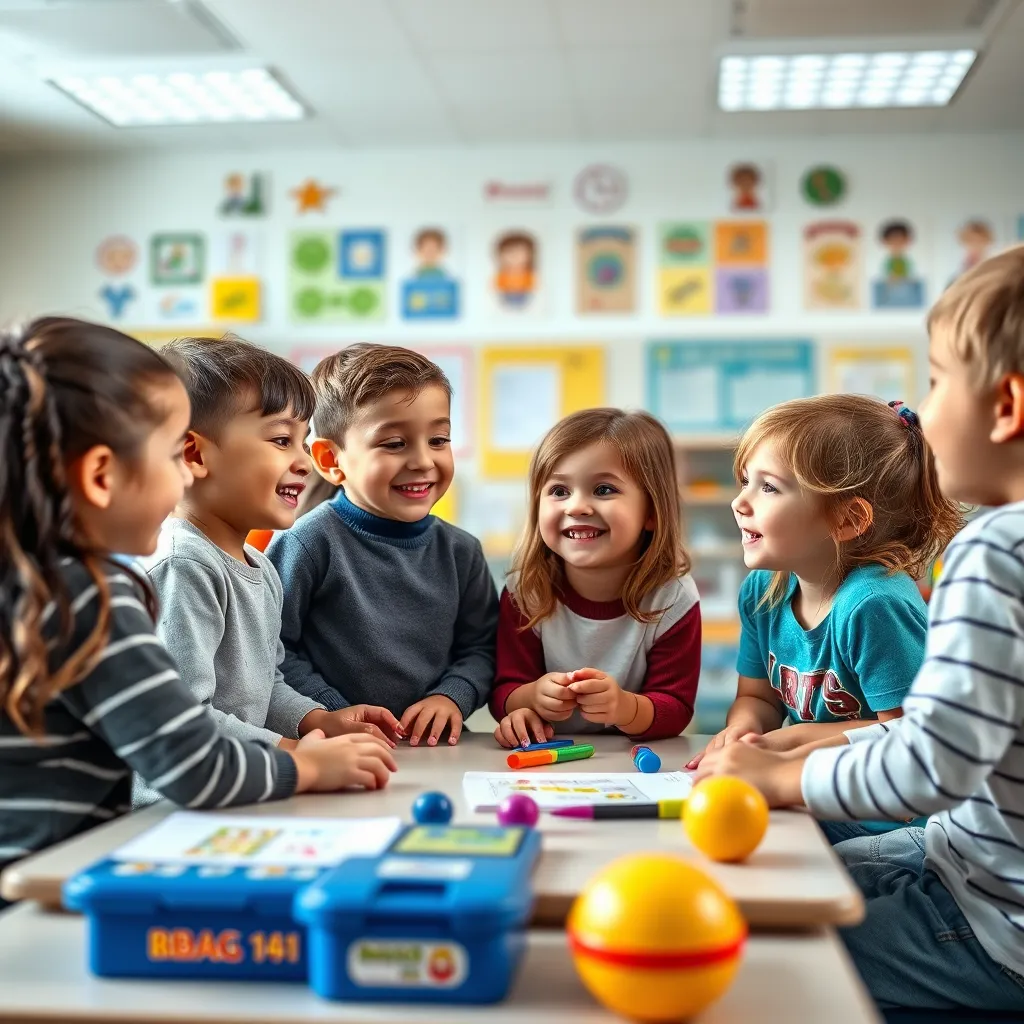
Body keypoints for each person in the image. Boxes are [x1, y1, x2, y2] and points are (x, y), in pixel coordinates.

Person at [695, 246, 1024, 1013]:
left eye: (940, 380)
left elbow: (931, 763)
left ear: (1006, 406)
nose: (925, 410)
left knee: (751, 966)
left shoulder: (997, 549)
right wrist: (780, 747)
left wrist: (783, 776)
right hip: (962, 857)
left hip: (992, 918)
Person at [0, 318, 397, 906]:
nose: (183, 471)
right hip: (46, 890)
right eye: (170, 454)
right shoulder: (92, 595)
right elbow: (192, 760)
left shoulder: (43, 584)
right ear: (103, 476)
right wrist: (306, 768)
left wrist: (311, 722)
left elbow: (262, 681)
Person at [135, 337, 400, 807]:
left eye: (301, 441)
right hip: (168, 806)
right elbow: (183, 718)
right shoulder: (185, 564)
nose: (302, 461)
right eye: (281, 440)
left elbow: (264, 685)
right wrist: (297, 757)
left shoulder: (259, 565)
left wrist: (316, 720)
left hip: (235, 789)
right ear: (194, 455)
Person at [686, 393, 963, 843]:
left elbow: (909, 739)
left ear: (846, 519)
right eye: (743, 481)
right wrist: (742, 732)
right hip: (806, 791)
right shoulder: (764, 591)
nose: (740, 501)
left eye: (768, 487)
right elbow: (758, 699)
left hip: (884, 823)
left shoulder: (875, 605)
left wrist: (793, 744)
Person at [268, 344, 498, 747]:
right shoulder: (306, 543)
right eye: (394, 444)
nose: (423, 460)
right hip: (334, 746)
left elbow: (482, 648)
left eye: (439, 439)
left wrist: (452, 696)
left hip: (434, 750)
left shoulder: (462, 552)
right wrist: (331, 711)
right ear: (330, 459)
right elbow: (273, 650)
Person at [490, 408, 700, 749]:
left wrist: (623, 707)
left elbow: (675, 707)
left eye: (603, 489)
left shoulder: (673, 598)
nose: (577, 507)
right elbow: (503, 690)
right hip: (549, 760)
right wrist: (528, 701)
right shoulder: (524, 592)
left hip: (630, 765)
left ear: (651, 512)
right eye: (559, 491)